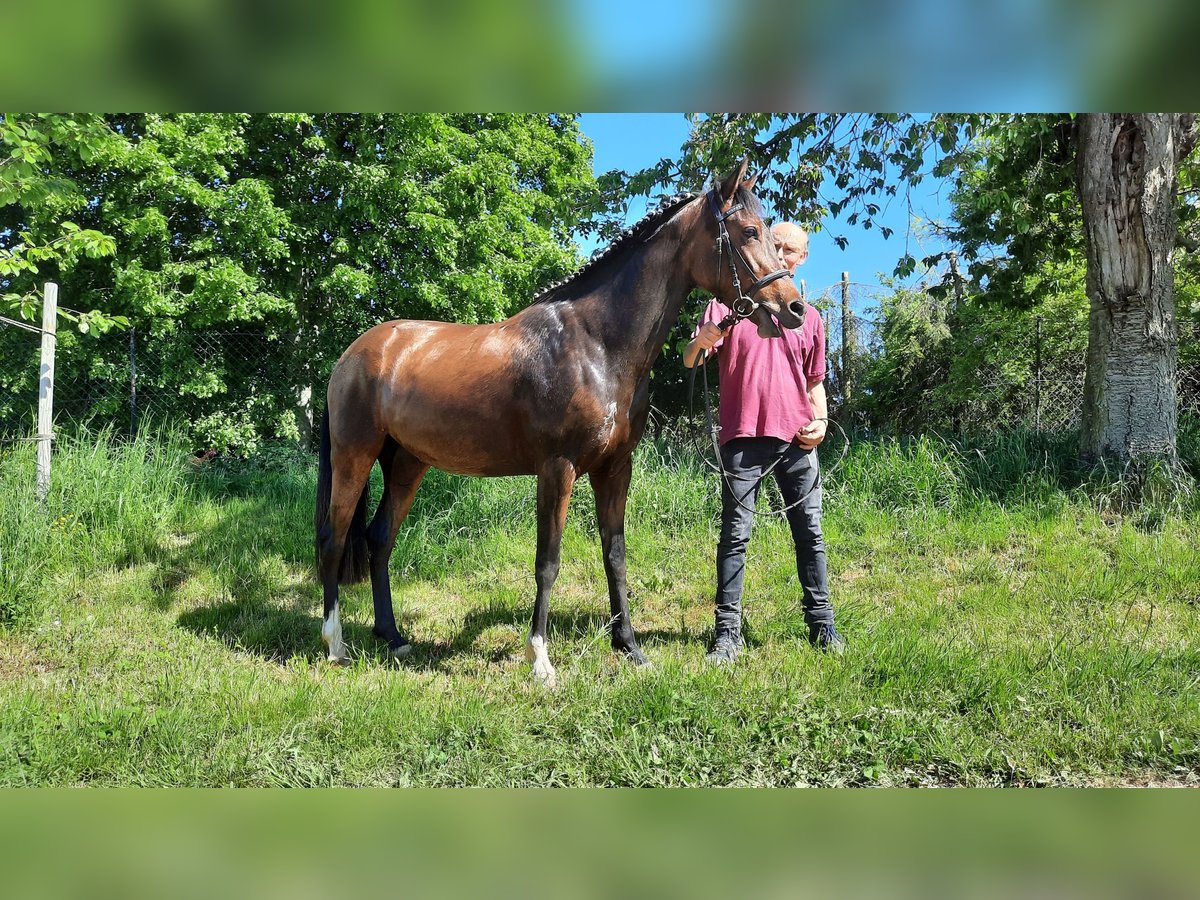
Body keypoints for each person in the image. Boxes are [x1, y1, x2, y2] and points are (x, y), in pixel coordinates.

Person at [682, 221, 844, 664]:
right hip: (742, 437)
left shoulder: (809, 318)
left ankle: (822, 624)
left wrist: (823, 422)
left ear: (802, 258)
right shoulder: (727, 306)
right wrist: (704, 338)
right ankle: (727, 633)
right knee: (735, 536)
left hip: (797, 441)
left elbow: (815, 383)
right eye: (775, 245)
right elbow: (690, 358)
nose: (782, 254)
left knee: (810, 534)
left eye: (790, 249)